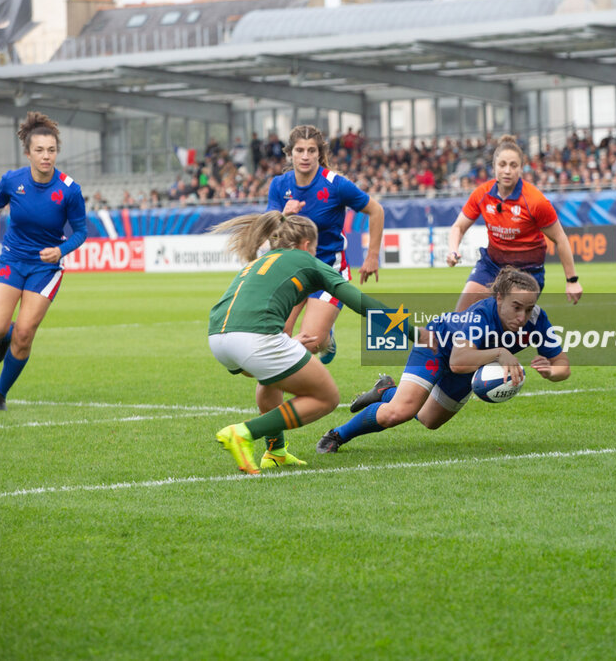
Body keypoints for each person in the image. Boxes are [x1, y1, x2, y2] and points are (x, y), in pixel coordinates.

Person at [208, 213, 407, 474]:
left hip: (218, 338)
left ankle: (276, 452)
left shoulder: (260, 261)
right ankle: (244, 432)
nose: (314, 253)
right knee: (326, 397)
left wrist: (285, 344)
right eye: (314, 248)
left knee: (269, 378)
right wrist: (414, 333)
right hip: (254, 338)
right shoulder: (304, 259)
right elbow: (361, 302)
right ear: (305, 245)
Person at [315, 267, 571, 454]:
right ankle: (337, 434)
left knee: (429, 420)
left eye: (529, 308)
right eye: (517, 307)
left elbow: (562, 365)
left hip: (468, 366)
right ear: (499, 298)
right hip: (438, 347)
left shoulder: (537, 320)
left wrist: (551, 372)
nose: (523, 315)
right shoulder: (480, 314)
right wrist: (500, 352)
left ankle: (385, 391)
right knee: (401, 412)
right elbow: (458, 360)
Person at [0, 111, 87, 411]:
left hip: (46, 267)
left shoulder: (69, 189)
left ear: (57, 152)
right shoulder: (12, 181)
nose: (46, 156)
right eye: (39, 150)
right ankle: (7, 334)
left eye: (51, 150)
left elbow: (80, 232)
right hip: (12, 258)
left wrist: (61, 252)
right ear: (27, 152)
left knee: (26, 334)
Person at [265, 124, 385, 372]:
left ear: (320, 153)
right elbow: (271, 234)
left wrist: (372, 256)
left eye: (311, 150)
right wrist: (282, 215)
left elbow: (376, 210)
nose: (305, 156)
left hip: (327, 271)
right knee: (279, 336)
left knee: (311, 341)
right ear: (290, 153)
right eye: (299, 150)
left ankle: (326, 340)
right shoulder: (279, 185)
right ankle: (282, 397)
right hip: (293, 271)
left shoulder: (335, 184)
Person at [445, 134, 583, 312]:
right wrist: (453, 250)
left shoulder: (535, 201)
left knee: (504, 323)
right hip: (492, 266)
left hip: (527, 273)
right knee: (461, 316)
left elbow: (560, 239)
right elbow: (458, 227)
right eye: (502, 165)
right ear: (494, 167)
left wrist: (572, 280)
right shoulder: (482, 194)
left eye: (513, 165)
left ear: (521, 168)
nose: (507, 170)